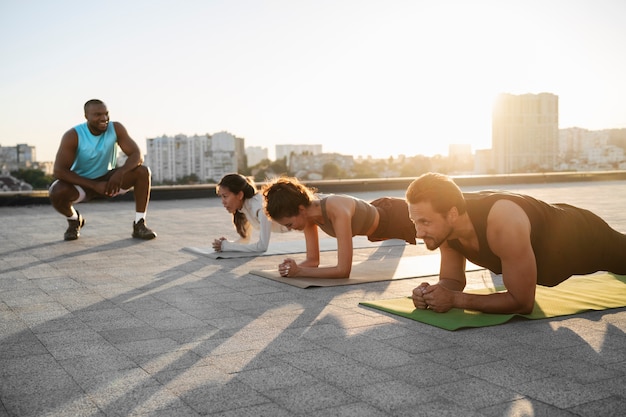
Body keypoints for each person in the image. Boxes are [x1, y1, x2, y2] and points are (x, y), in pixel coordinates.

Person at [406, 172, 626, 314]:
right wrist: (431, 293)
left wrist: (454, 299)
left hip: (584, 237)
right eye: (415, 221)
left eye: (425, 222)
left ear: (452, 214)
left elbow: (522, 302)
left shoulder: (502, 221)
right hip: (550, 227)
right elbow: (452, 280)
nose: (418, 232)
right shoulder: (446, 228)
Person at [262, 176, 416, 279]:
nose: (290, 229)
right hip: (381, 226)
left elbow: (343, 271)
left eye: (289, 224)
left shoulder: (336, 209)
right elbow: (312, 261)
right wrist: (292, 268)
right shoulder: (308, 217)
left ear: (301, 209)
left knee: (439, 235)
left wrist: (300, 271)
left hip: (398, 217)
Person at [49, 99, 157, 241]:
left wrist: (120, 172)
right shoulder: (73, 135)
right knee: (56, 191)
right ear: (86, 116)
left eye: (106, 114)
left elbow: (137, 155)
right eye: (98, 114)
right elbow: (59, 171)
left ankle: (139, 224)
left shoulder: (116, 128)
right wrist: (93, 185)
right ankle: (74, 220)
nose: (104, 118)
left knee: (142, 171)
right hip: (82, 183)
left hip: (109, 181)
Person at [212, 173, 288, 253]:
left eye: (225, 196)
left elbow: (262, 247)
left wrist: (228, 246)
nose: (223, 202)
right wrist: (228, 244)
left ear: (240, 195)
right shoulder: (245, 208)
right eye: (221, 197)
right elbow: (245, 240)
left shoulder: (260, 208)